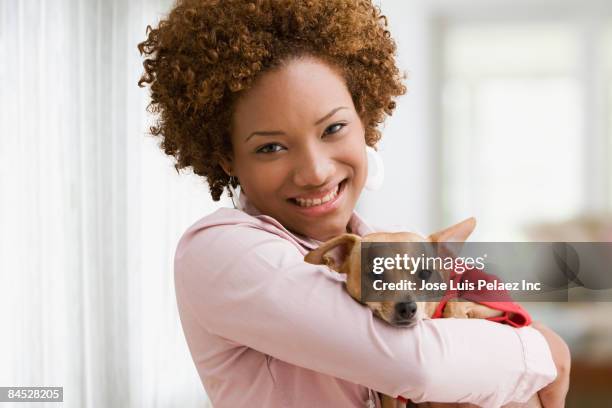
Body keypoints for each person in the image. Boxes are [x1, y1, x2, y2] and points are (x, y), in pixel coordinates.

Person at [138, 0, 570, 406]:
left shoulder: (379, 252)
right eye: (270, 147)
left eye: (333, 128)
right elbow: (417, 363)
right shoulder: (220, 251)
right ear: (226, 157)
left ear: (365, 119)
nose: (316, 172)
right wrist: (542, 348)